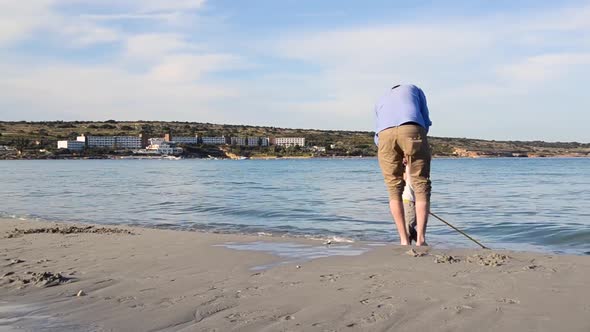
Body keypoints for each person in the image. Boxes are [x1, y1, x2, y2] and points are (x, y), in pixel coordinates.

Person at [374, 84, 432, 246]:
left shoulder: (381, 99)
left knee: (394, 188)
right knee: (421, 185)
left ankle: (403, 240)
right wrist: (412, 148)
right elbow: (425, 122)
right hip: (412, 127)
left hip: (384, 134)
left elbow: (377, 136)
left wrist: (397, 151)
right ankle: (420, 238)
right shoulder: (415, 89)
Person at [402, 158, 418, 244]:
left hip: (409, 201)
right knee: (409, 225)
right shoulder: (406, 176)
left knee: (409, 225)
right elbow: (407, 171)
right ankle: (408, 244)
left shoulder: (410, 177)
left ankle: (418, 241)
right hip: (408, 202)